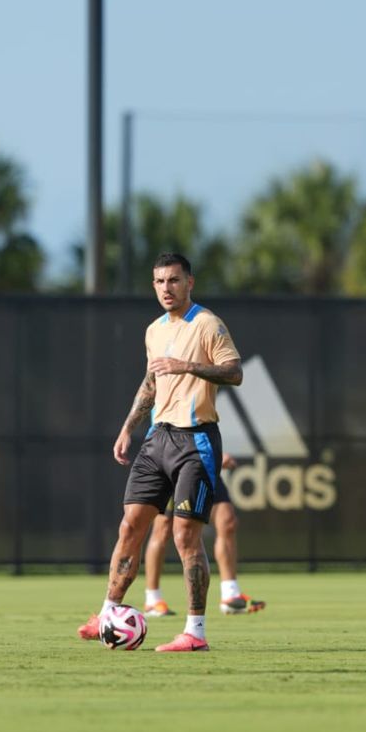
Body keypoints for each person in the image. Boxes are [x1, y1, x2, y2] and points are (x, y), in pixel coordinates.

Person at [78, 252, 242, 652]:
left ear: (190, 282)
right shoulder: (153, 330)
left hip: (196, 440)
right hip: (157, 440)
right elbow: (151, 384)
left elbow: (234, 372)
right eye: (159, 282)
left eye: (173, 280)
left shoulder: (208, 324)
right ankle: (107, 611)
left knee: (185, 537)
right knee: (130, 527)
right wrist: (127, 427)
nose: (166, 288)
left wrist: (188, 365)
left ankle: (196, 632)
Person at [141, 455, 265, 617]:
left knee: (228, 521)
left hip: (205, 464)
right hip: (174, 461)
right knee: (163, 529)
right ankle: (152, 599)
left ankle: (230, 595)